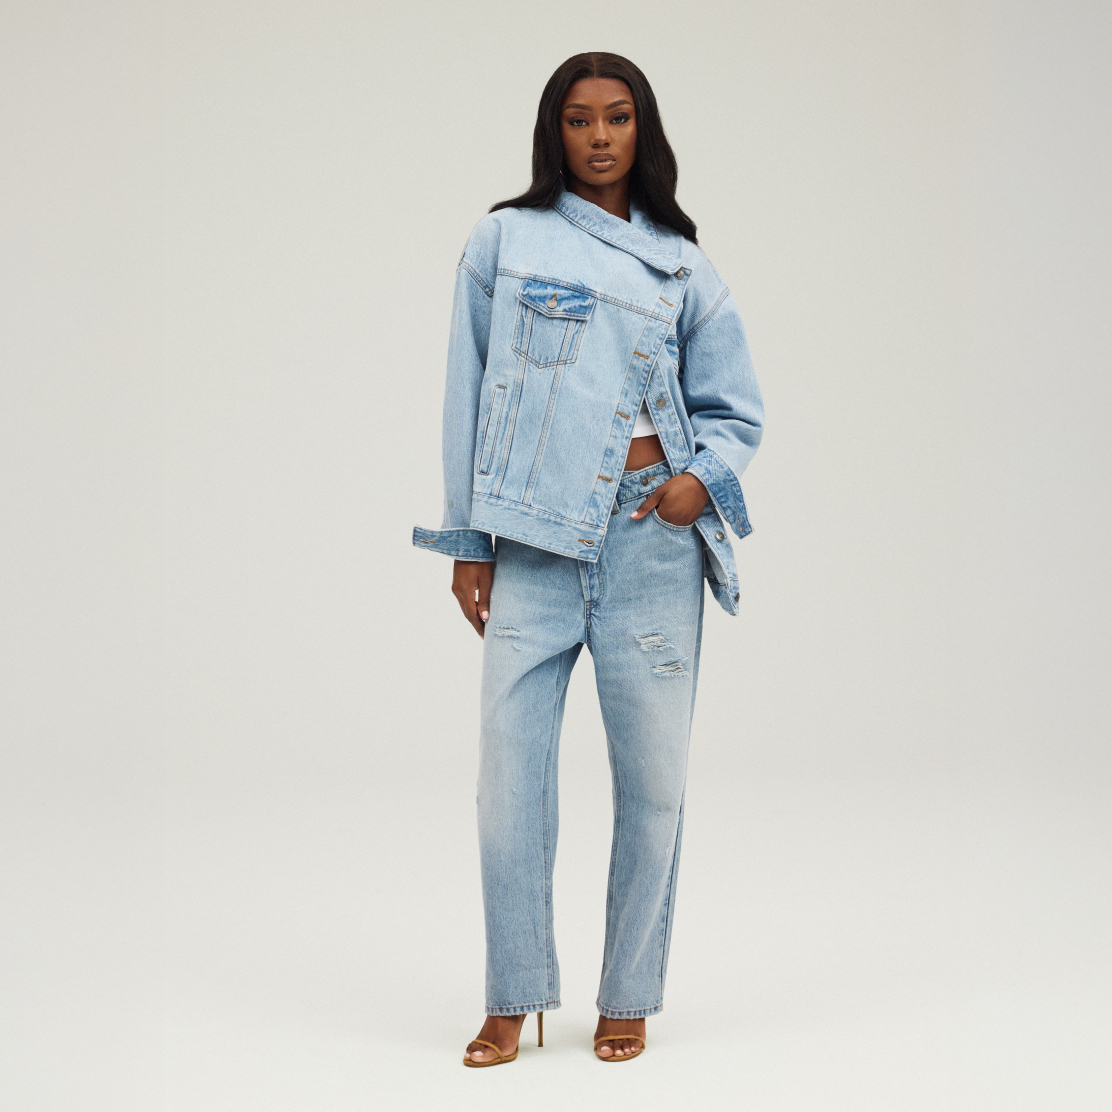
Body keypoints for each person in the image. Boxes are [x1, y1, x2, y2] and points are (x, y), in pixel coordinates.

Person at [412, 51, 764, 1066]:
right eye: (578, 118)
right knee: (507, 778)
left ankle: (628, 992)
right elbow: (464, 394)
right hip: (527, 538)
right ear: (552, 131)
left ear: (641, 134)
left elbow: (733, 408)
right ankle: (510, 991)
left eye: (616, 118)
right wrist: (465, 538)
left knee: (652, 780)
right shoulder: (502, 240)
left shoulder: (682, 264)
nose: (598, 136)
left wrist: (698, 478)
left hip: (648, 534)